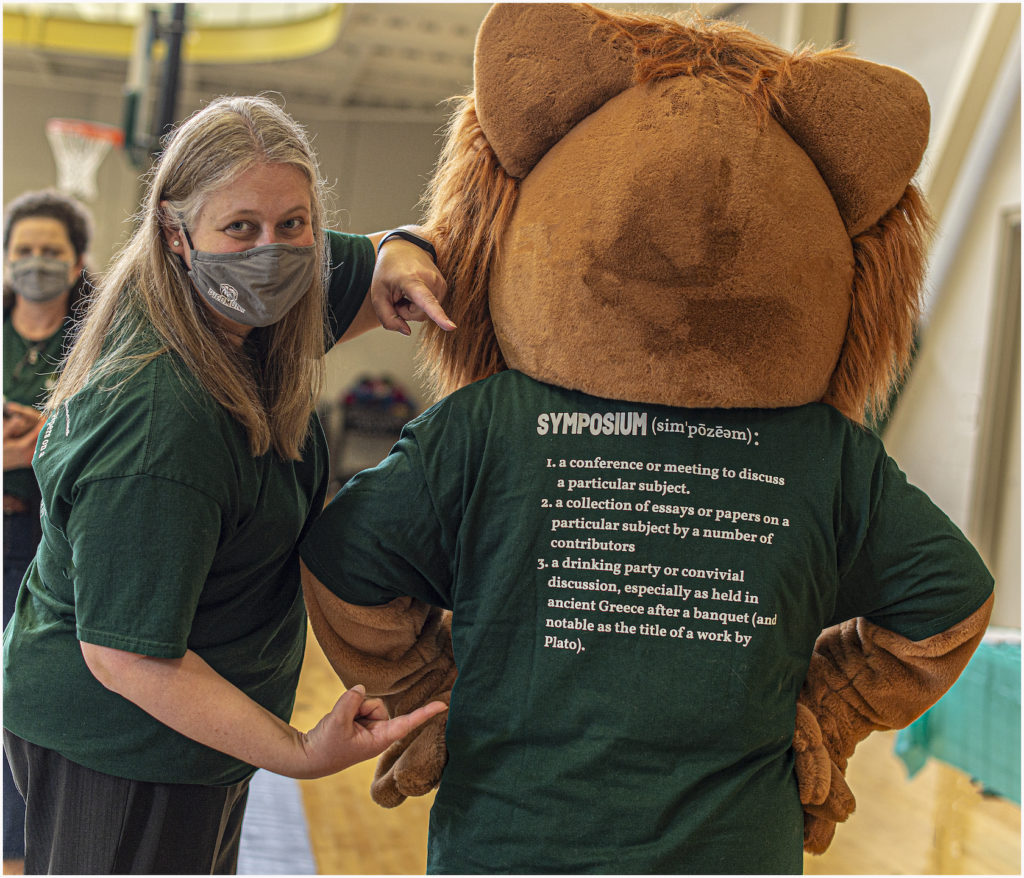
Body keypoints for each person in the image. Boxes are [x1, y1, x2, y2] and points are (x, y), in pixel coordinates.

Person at [1, 95, 451, 875]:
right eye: (240, 228)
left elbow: (371, 260)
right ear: (177, 234)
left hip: (197, 734)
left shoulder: (256, 299)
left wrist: (403, 248)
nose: (271, 252)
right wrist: (301, 751)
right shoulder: (159, 422)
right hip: (121, 744)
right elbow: (126, 656)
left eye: (294, 225)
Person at [2, 188, 94, 873]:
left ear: (78, 260)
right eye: (24, 251)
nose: (36, 263)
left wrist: (44, 446)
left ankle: (25, 841)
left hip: (49, 544)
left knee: (27, 696)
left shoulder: (98, 338)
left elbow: (108, 440)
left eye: (50, 252)